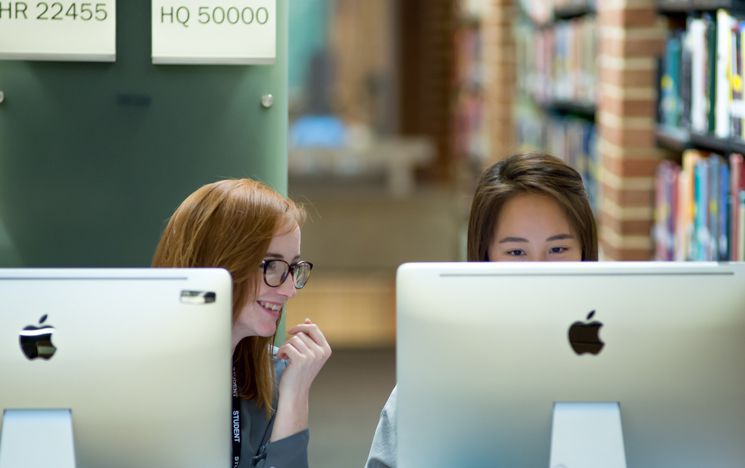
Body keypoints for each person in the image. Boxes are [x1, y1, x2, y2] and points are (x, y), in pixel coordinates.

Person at [365, 152, 598, 468]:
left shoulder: (622, 359)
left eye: (558, 249)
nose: (539, 270)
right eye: (516, 251)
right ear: (486, 256)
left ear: (585, 251)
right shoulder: (439, 369)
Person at [152, 178, 331, 468]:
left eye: (293, 268)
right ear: (218, 262)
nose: (289, 290)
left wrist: (295, 395)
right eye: (271, 266)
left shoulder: (272, 377)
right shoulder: (138, 375)